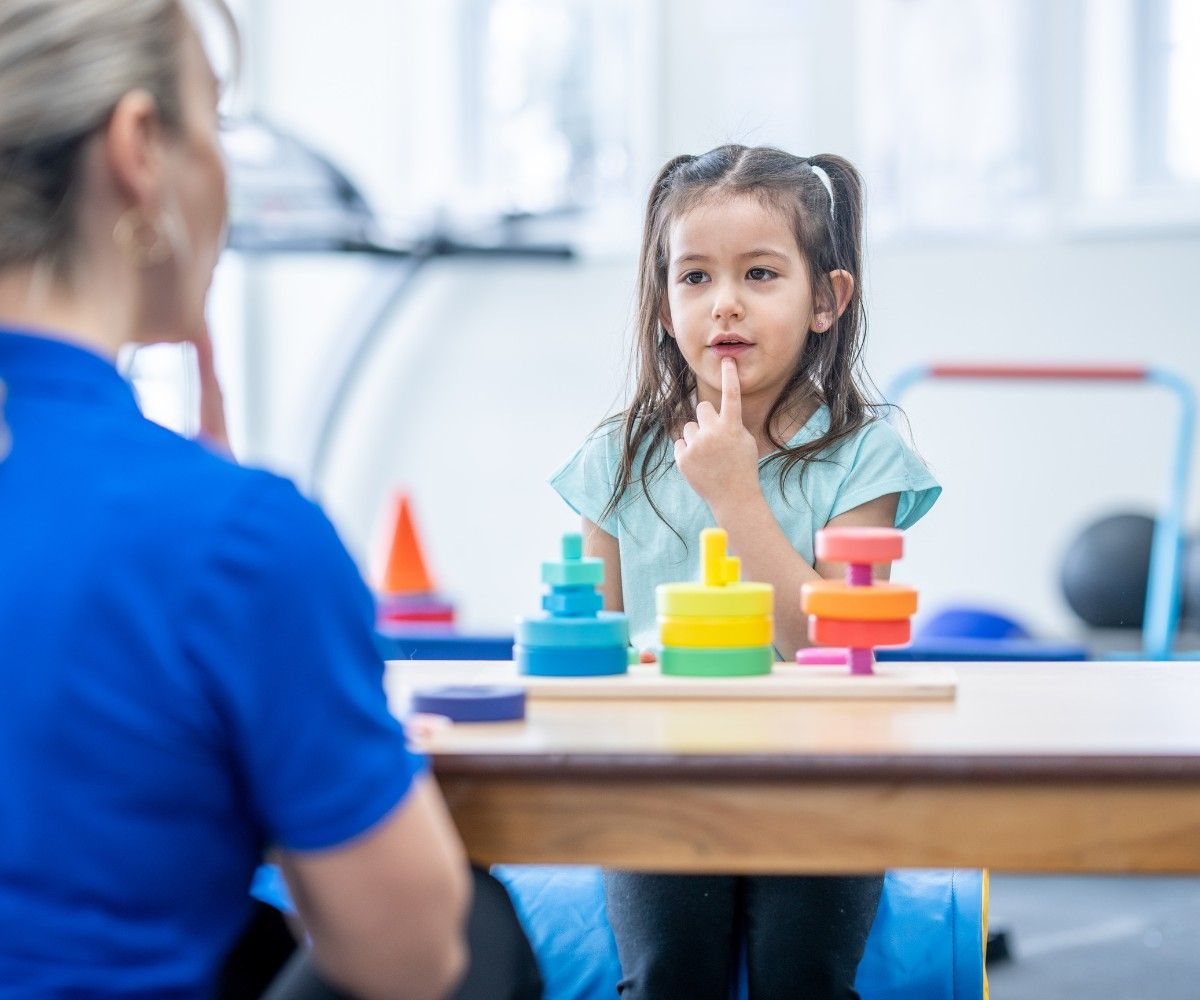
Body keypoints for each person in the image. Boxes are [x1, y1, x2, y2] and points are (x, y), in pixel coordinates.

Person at [0, 3, 537, 998]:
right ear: (138, 152)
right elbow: (408, 957)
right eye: (216, 123)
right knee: (475, 922)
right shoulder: (231, 540)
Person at [550, 146, 941, 998]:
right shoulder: (613, 460)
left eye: (761, 274)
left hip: (823, 778)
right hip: (661, 778)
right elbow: (589, 652)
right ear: (662, 304)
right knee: (666, 976)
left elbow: (829, 636)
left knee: (802, 977)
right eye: (694, 278)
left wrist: (736, 494)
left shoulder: (864, 458)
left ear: (826, 300)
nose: (724, 302)